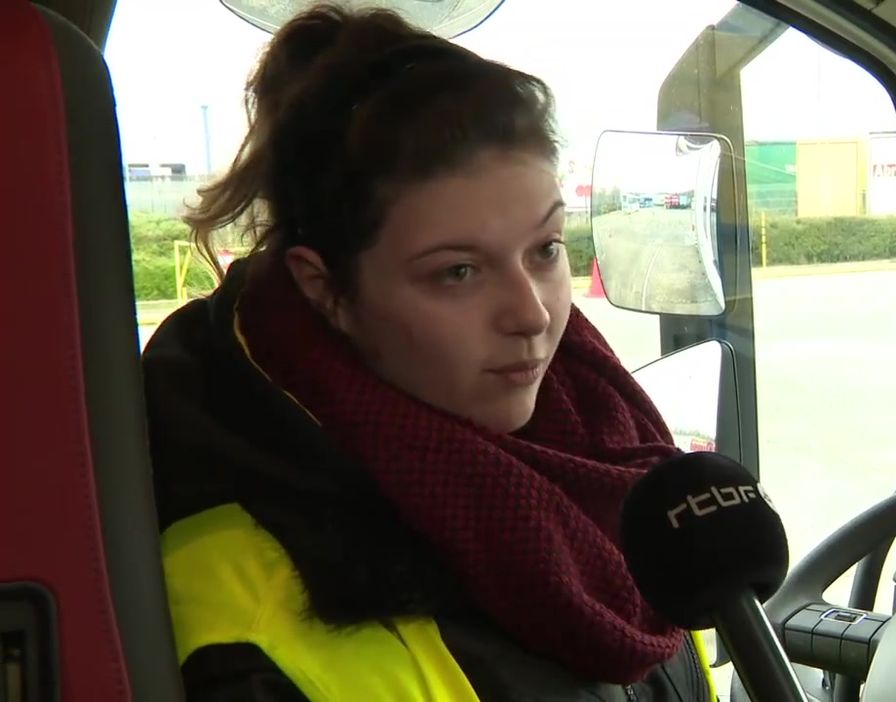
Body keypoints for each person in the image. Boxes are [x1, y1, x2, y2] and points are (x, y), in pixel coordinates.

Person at [140, 3, 716, 700]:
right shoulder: (245, 616)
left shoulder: (616, 457)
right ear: (326, 291)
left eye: (546, 250)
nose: (531, 314)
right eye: (458, 272)